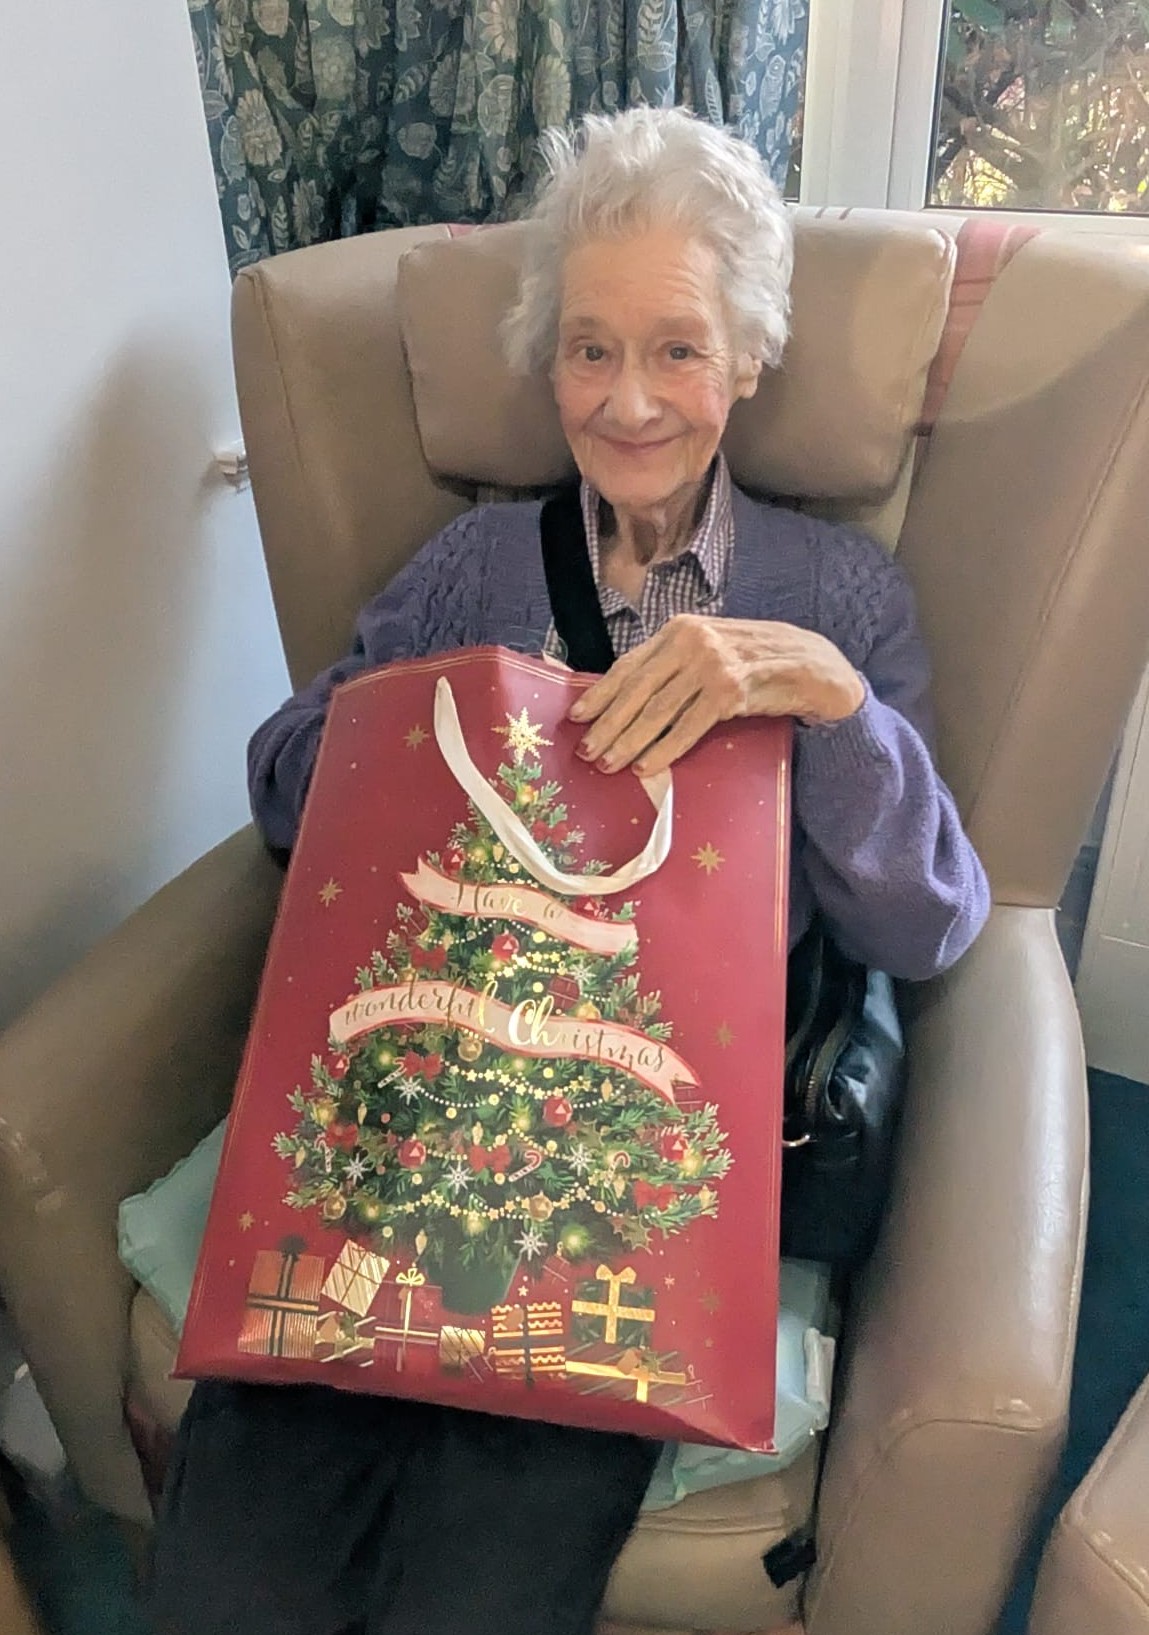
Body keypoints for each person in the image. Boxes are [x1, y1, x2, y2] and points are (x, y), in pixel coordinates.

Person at [149, 107, 990, 1635]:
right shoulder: (473, 566)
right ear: (548, 367)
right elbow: (282, 795)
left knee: (479, 1590)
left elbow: (926, 923)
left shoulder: (838, 597)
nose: (628, 400)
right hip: (404, 1143)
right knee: (231, 1571)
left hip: (632, 1175)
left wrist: (829, 705)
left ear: (744, 360)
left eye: (676, 350)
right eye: (587, 350)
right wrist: (414, 715)